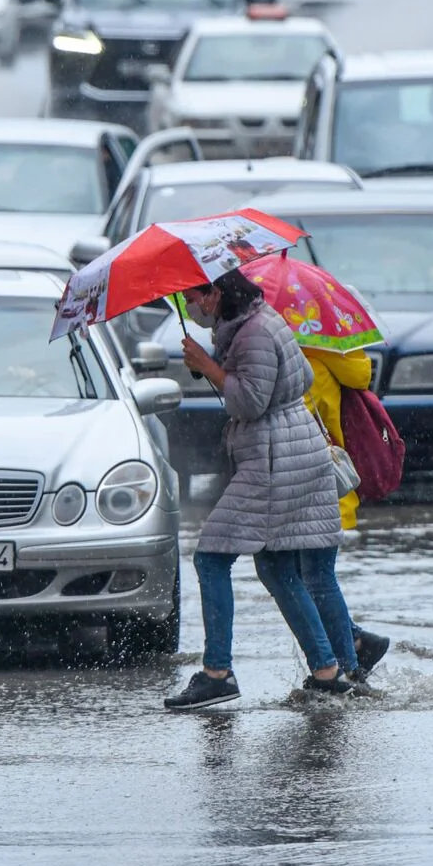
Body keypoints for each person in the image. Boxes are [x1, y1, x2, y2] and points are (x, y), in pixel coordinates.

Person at [164, 270, 355, 711]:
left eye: (191, 296)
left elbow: (249, 402)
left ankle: (218, 673)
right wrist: (217, 363)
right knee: (276, 566)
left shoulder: (252, 333)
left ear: (214, 294)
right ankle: (327, 672)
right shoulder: (257, 321)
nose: (189, 306)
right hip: (286, 452)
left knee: (211, 557)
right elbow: (299, 375)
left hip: (274, 460)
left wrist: (209, 367)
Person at [301, 346, 391, 682]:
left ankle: (348, 662)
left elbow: (294, 423)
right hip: (329, 490)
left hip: (320, 490)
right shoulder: (330, 358)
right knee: (312, 577)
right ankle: (353, 642)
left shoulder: (308, 367)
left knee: (317, 578)